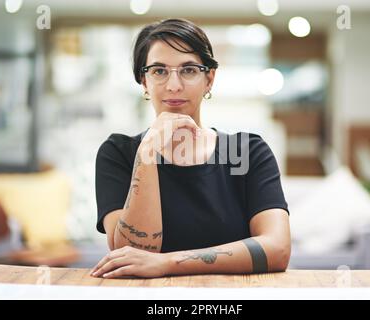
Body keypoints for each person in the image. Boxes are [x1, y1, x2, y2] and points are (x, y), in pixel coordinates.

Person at [91, 18, 290, 279]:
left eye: (188, 70)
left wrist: (167, 263)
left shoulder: (248, 151)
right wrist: (148, 152)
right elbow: (130, 255)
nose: (174, 85)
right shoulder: (119, 153)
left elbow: (277, 249)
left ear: (209, 79)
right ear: (144, 82)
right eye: (159, 71)